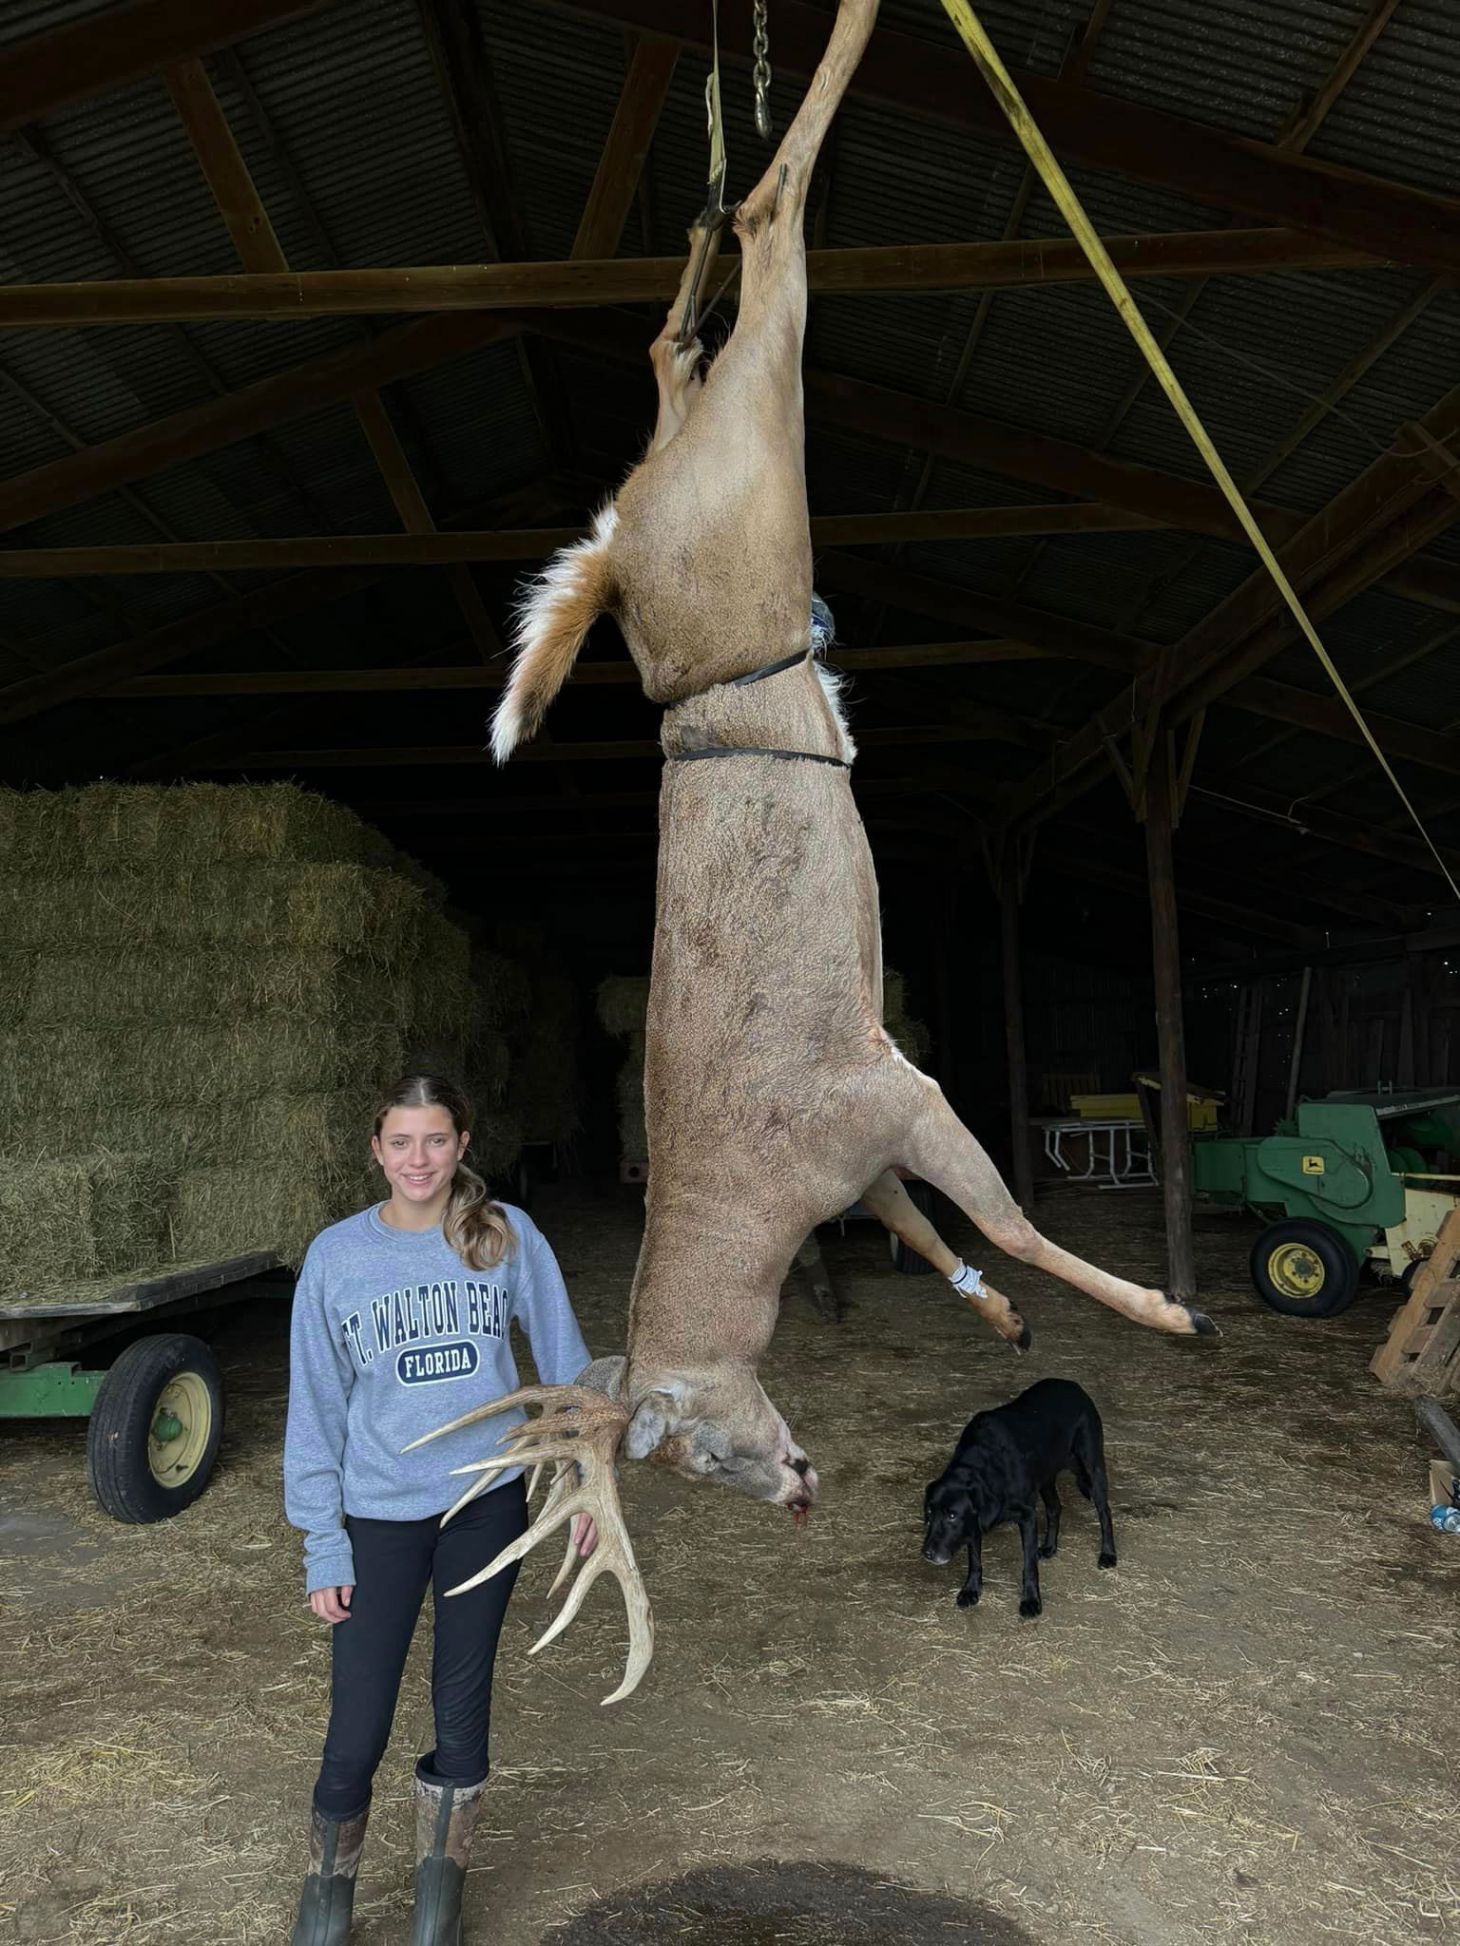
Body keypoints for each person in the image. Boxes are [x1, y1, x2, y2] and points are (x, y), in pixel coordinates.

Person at [284, 1073, 596, 1946]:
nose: (417, 1159)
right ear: (376, 1150)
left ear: (462, 1145)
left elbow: (565, 1365)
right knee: (357, 1729)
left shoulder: (506, 1238)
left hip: (484, 1506)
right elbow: (315, 1407)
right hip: (377, 1515)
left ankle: (437, 1911)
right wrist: (323, 1543)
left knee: (462, 1710)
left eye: (435, 1140)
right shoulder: (337, 1258)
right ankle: (327, 1906)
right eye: (400, 1142)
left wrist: (578, 1481)